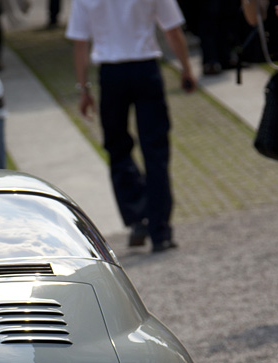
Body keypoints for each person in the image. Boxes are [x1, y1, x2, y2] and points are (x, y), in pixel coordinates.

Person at [66, 0, 198, 252]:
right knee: (155, 150)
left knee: (117, 148)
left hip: (111, 73)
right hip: (145, 68)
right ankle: (160, 231)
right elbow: (172, 29)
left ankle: (137, 217)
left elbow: (80, 42)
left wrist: (83, 89)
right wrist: (186, 69)